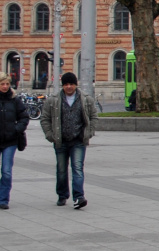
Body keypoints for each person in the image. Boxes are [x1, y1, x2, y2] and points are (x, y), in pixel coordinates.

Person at [40, 72, 97, 209]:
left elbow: (94, 117)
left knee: (77, 168)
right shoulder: (54, 100)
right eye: (66, 84)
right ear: (63, 86)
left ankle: (78, 197)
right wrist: (50, 135)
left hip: (78, 140)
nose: (69, 87)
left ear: (75, 85)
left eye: (71, 84)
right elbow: (45, 118)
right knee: (61, 169)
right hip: (60, 140)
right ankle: (62, 194)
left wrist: (89, 133)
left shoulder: (85, 99)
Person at [0, 73, 31, 210]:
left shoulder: (15, 100)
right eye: (2, 84)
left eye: (7, 83)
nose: (5, 86)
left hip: (10, 141)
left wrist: (16, 129)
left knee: (6, 171)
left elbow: (24, 117)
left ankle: (3, 199)